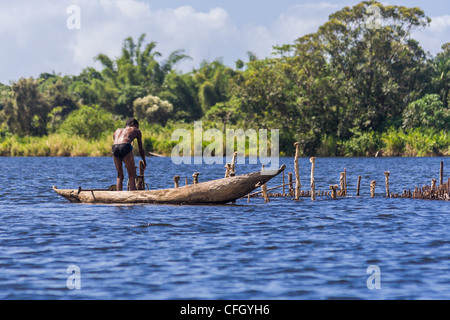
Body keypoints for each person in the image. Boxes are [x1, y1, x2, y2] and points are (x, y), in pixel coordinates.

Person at [112, 118, 146, 191]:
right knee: (132, 174)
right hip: (125, 146)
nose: (137, 128)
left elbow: (116, 142)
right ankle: (132, 193)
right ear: (133, 124)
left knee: (119, 175)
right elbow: (141, 149)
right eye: (137, 126)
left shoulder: (117, 131)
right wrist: (144, 161)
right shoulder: (136, 131)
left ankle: (118, 194)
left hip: (114, 148)